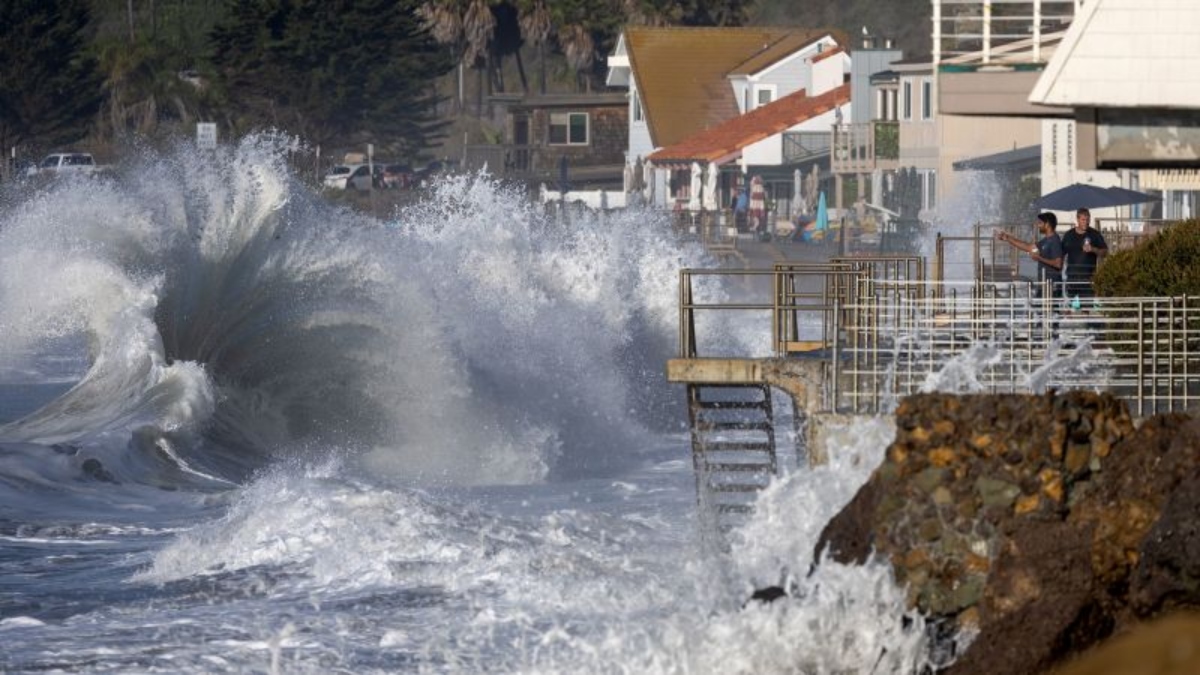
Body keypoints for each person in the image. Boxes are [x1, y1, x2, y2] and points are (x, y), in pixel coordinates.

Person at [996, 212, 1063, 297]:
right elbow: (1028, 247)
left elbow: (1058, 264)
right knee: (1037, 307)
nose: (1038, 225)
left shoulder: (1055, 240)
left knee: (1048, 309)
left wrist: (1039, 258)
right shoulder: (1045, 240)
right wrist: (1008, 238)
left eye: (1040, 223)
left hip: (1052, 285)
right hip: (1043, 284)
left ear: (1047, 224)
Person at [1059, 207, 1107, 299]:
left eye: (1088, 219)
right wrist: (1058, 271)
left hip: (1089, 279)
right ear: (1077, 219)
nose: (1086, 222)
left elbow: (1105, 252)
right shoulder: (1069, 235)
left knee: (1085, 309)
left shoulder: (1095, 234)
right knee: (1071, 309)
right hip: (1072, 278)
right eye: (1083, 220)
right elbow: (1061, 254)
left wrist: (1093, 249)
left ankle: (1085, 312)